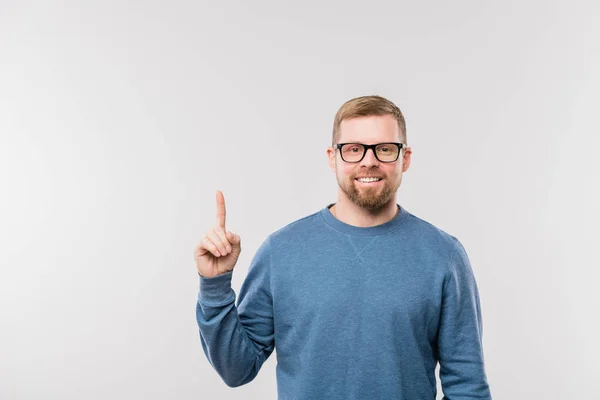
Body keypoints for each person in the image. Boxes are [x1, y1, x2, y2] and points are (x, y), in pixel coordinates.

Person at [195, 95, 492, 399]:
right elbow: (236, 369)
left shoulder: (444, 256)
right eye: (353, 149)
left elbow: (467, 386)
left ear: (405, 158)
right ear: (332, 157)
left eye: (385, 149)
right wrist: (214, 285)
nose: (369, 160)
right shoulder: (281, 251)